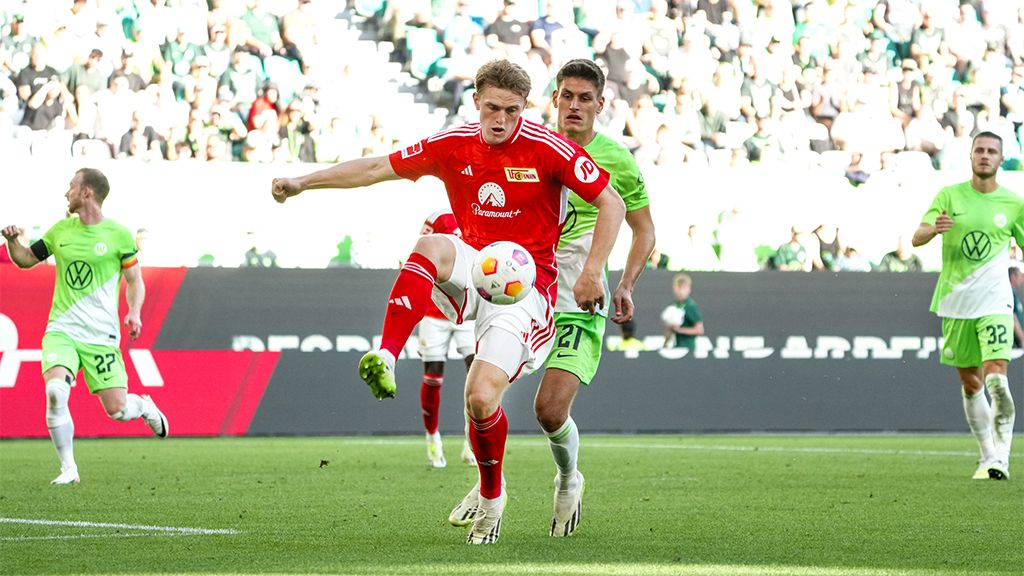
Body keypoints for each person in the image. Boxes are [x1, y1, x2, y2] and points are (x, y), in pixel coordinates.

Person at [271, 59, 626, 545]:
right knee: (432, 245)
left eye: (513, 110)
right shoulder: (453, 144)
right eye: (493, 107)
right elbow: (376, 166)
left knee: (481, 398)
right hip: (477, 266)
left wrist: (591, 273)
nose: (501, 119)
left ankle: (503, 490)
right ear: (476, 101)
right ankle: (386, 353)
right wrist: (302, 181)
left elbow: (614, 202)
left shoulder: (548, 148)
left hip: (526, 291)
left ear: (525, 109)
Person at [529, 58, 655, 538]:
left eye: (586, 98)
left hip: (580, 302)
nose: (575, 106)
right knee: (480, 394)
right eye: (567, 96)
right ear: (555, 99)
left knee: (549, 411)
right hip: (522, 295)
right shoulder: (529, 146)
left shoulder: (617, 160)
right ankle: (487, 488)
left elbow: (644, 231)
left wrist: (623, 284)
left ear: (600, 104)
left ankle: (568, 478)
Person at [1, 168, 168, 486]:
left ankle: (144, 407)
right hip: (62, 329)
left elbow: (134, 280)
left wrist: (134, 311)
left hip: (101, 337)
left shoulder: (119, 235)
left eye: (71, 187)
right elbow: (24, 259)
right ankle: (69, 468)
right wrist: (12, 241)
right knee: (55, 391)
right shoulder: (60, 231)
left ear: (87, 192)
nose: (67, 192)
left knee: (118, 410)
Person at [911, 131, 1020, 480]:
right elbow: (917, 236)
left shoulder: (1014, 204)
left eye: (991, 151)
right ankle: (987, 456)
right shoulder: (949, 195)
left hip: (995, 301)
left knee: (996, 380)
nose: (985, 156)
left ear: (1000, 159)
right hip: (956, 302)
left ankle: (1001, 458)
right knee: (971, 384)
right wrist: (934, 230)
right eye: (979, 151)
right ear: (970, 156)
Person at [417, 209, 476, 469]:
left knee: (478, 374)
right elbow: (421, 254)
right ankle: (433, 438)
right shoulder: (440, 217)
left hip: (470, 311)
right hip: (435, 310)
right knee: (433, 376)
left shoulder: (484, 213)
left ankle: (471, 443)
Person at [661, 273, 704, 350]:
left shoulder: (690, 306)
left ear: (689, 289)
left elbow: (700, 330)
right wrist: (665, 344)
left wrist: (679, 330)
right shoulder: (673, 305)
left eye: (684, 288)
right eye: (678, 287)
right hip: (676, 346)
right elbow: (670, 329)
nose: (681, 291)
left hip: (687, 347)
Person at [1010, 265, 1024, 349]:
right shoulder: (1008, 293)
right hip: (1013, 341)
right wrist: (1022, 338)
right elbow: (1012, 316)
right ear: (1013, 276)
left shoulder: (1014, 292)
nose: (1022, 279)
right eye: (1020, 276)